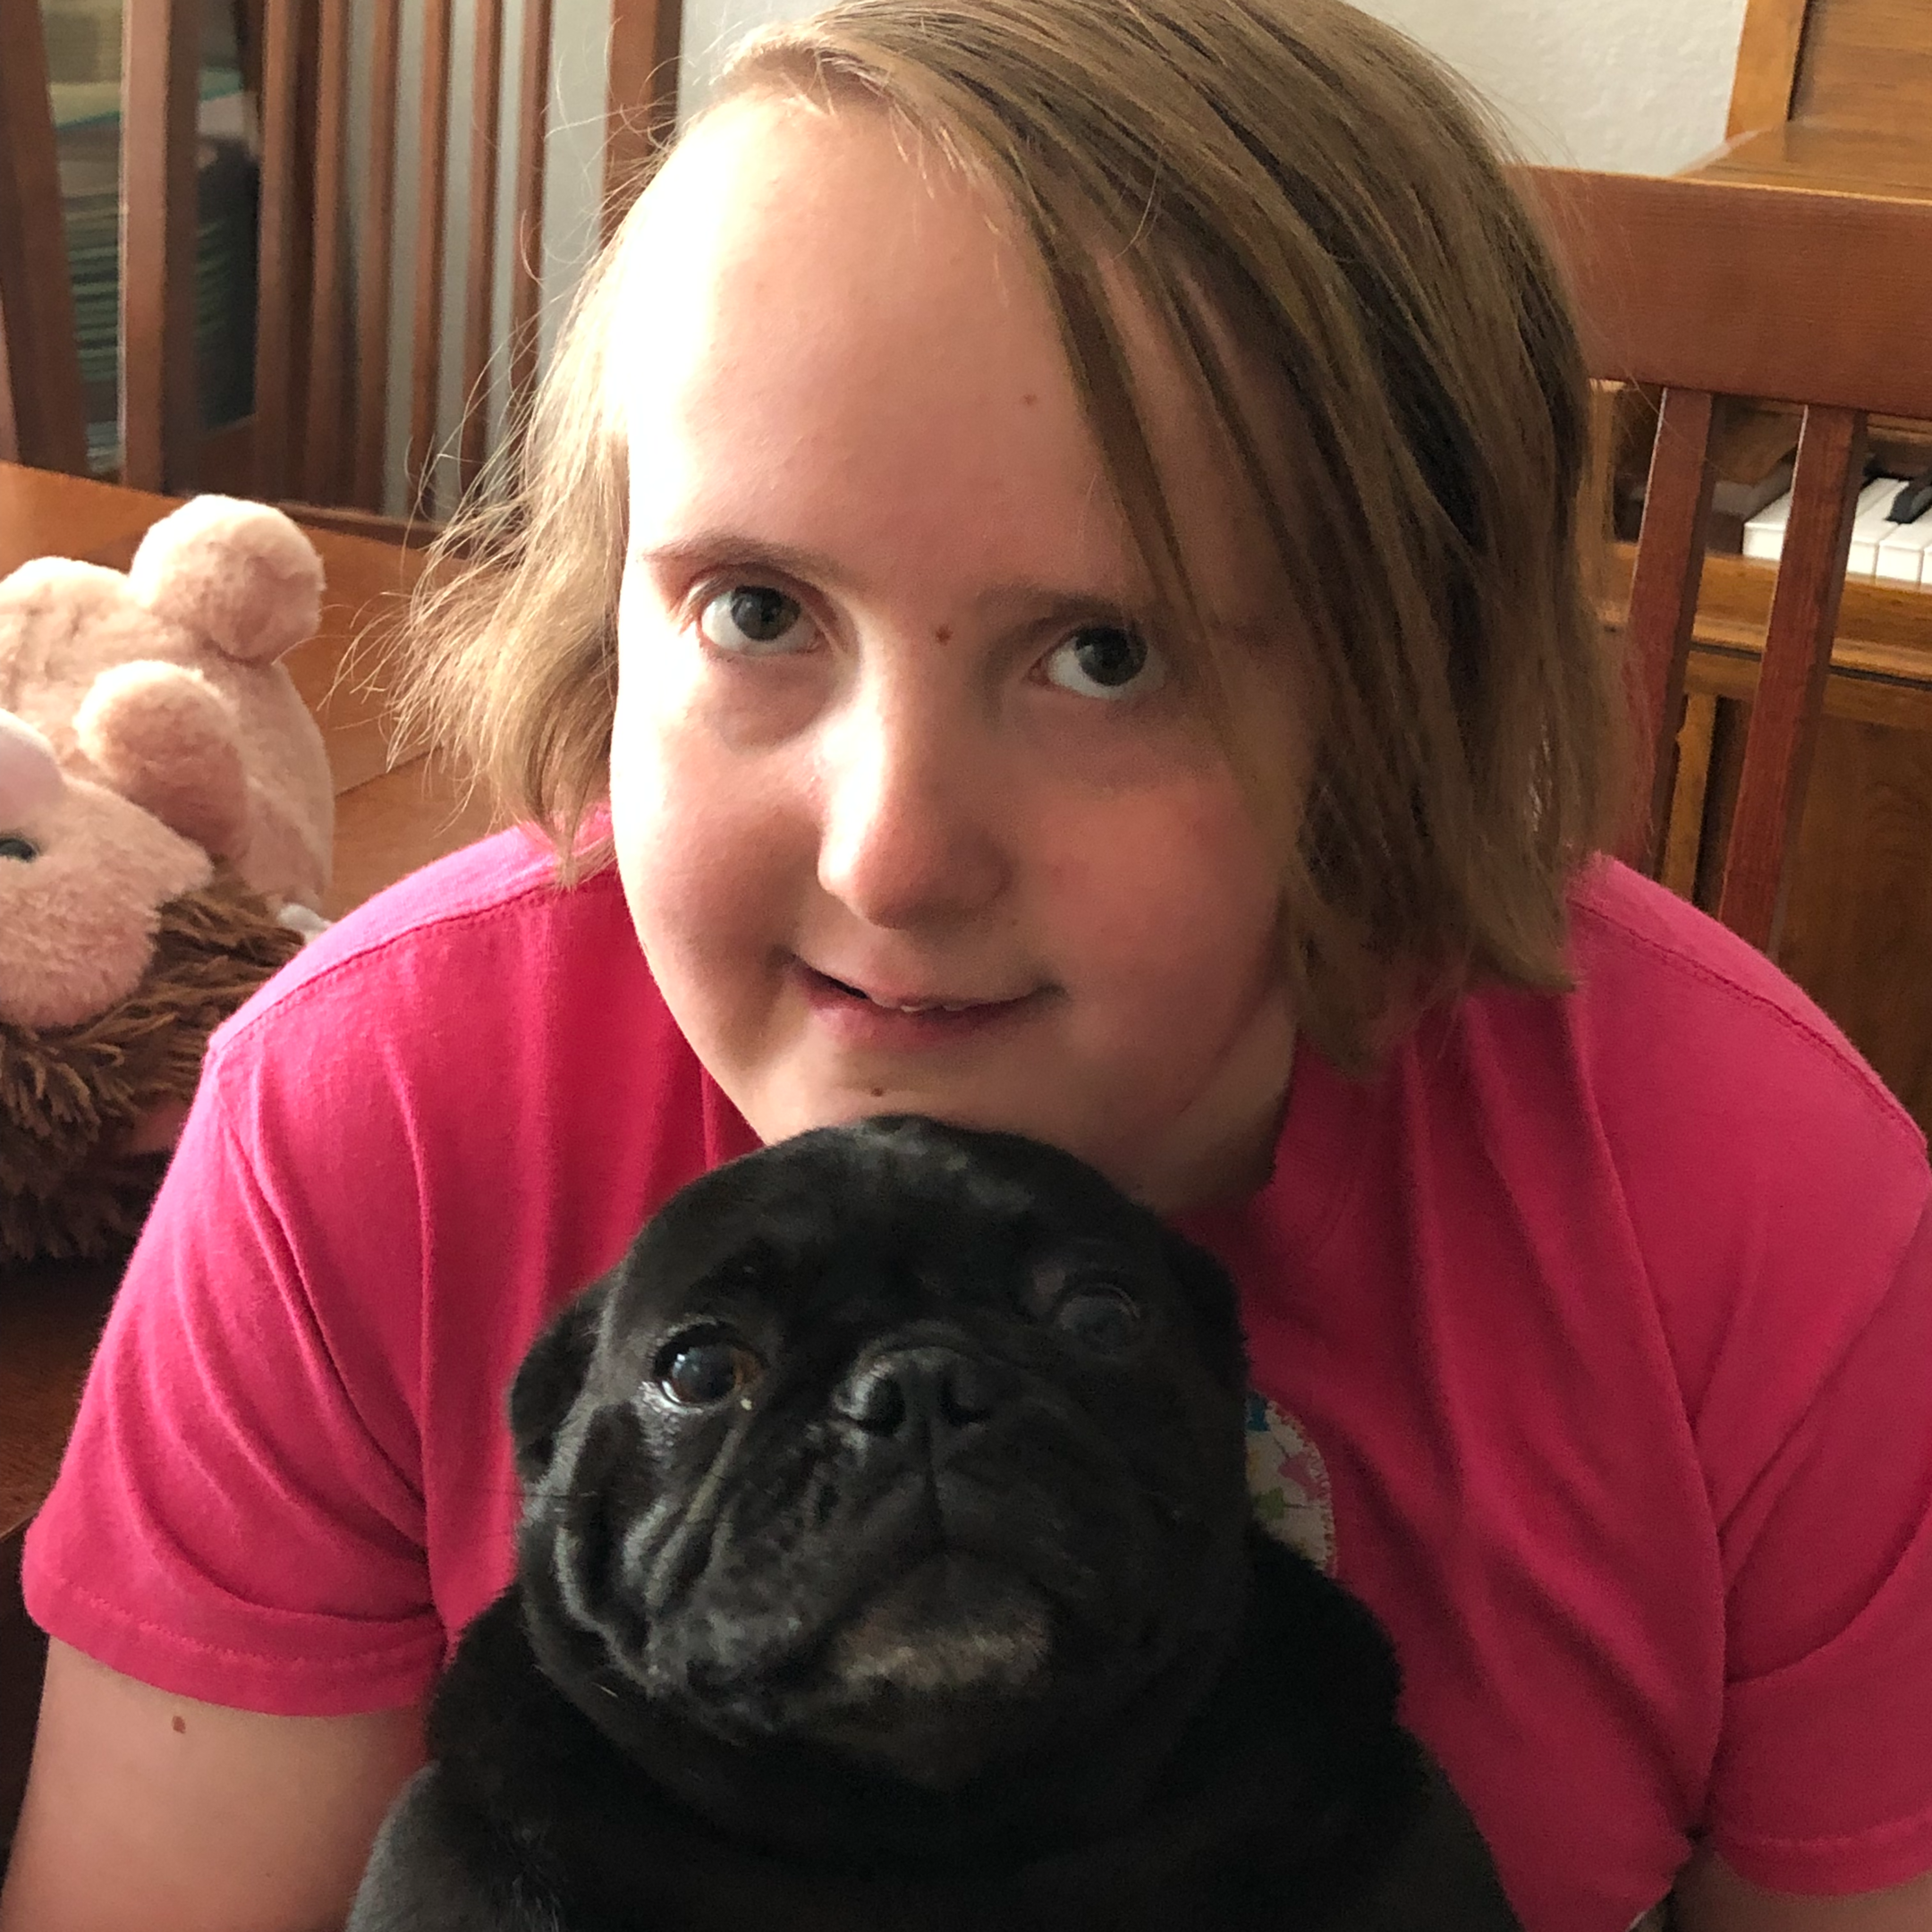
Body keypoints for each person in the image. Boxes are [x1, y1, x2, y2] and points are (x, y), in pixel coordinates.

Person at [5, 2, 1931, 1928]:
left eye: (1107, 652)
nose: (893, 856)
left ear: (1401, 695)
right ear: (603, 619)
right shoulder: (370, 1112)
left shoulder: (1756, 1204)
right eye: (757, 610)